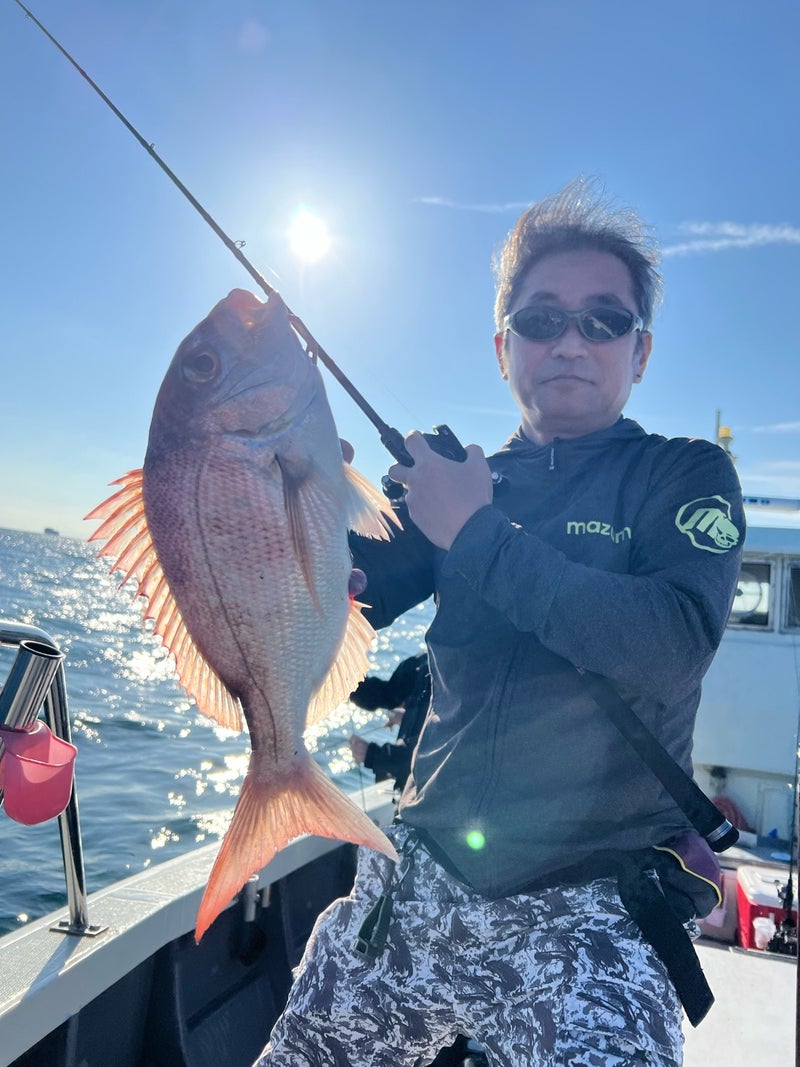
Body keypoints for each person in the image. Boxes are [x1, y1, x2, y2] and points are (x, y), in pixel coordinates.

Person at [255, 178, 744, 1066]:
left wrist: (476, 532)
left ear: (640, 352)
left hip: (592, 904)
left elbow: (669, 644)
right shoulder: (444, 477)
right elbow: (330, 601)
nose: (571, 341)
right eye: (541, 318)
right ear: (502, 346)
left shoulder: (682, 475)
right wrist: (300, 505)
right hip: (413, 881)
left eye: (605, 320)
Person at [348, 652, 432, 791]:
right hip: (406, 792)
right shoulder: (421, 662)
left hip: (432, 795)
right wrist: (349, 681)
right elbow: (390, 695)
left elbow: (433, 759)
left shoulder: (463, 676)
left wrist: (373, 755)